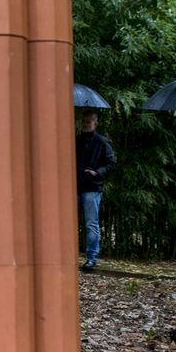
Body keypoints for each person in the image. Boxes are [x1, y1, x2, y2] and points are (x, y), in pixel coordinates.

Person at [75, 111, 116, 271]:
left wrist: (97, 172)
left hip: (92, 187)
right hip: (75, 185)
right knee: (69, 223)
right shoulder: (76, 140)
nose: (85, 124)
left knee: (91, 223)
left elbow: (112, 163)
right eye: (83, 121)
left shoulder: (102, 141)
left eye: (88, 122)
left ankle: (91, 258)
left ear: (95, 123)